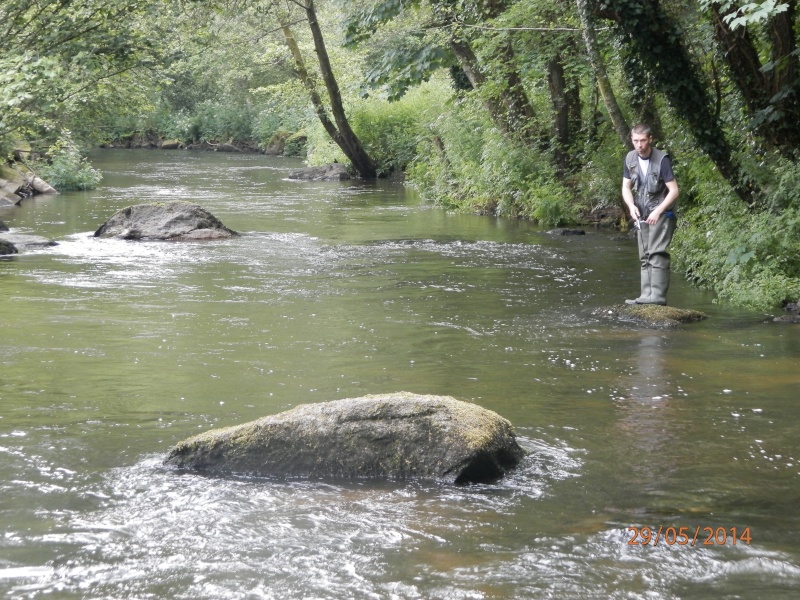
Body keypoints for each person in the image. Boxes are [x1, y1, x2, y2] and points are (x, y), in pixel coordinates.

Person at [621, 124, 679, 305]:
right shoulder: (630, 158)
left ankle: (658, 298)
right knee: (644, 255)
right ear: (632, 140)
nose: (639, 145)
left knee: (657, 253)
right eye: (636, 141)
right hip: (641, 212)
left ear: (650, 139)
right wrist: (631, 206)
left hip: (663, 213)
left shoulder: (662, 160)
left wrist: (658, 210)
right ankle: (645, 297)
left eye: (643, 140)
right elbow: (625, 187)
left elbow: (674, 191)